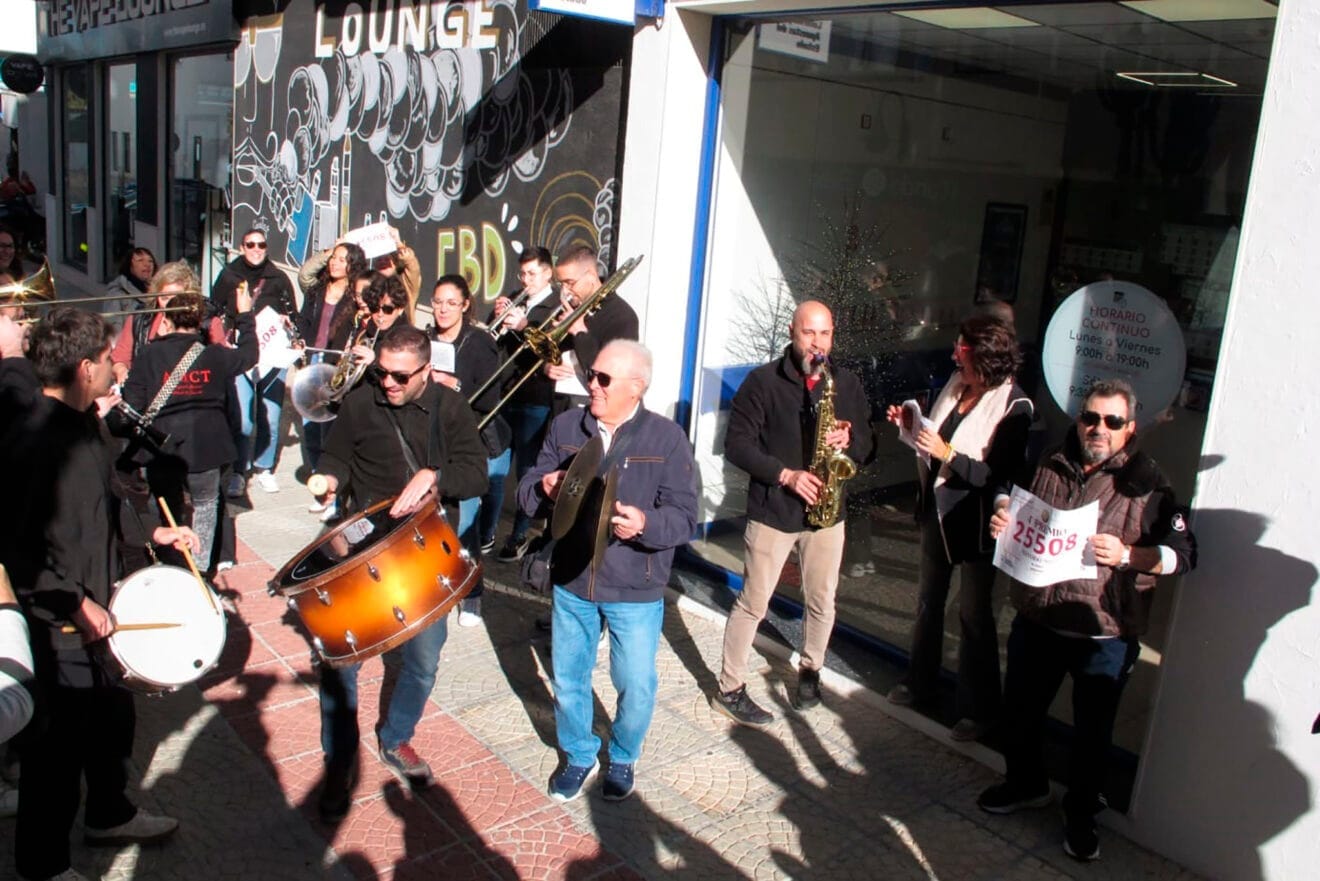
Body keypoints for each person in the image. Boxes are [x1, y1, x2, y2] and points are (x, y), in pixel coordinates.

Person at [0, 309, 199, 881]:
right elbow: (19, 550)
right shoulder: (33, 442)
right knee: (55, 755)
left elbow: (104, 506)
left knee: (113, 722)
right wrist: (74, 603)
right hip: (60, 622)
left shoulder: (86, 422)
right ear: (85, 368)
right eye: (111, 359)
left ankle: (109, 814)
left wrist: (153, 535)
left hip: (99, 607)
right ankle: (43, 864)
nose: (119, 368)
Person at [976, 378, 1196, 862]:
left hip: (1104, 632)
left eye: (1112, 421)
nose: (1099, 428)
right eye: (1090, 418)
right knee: (1020, 715)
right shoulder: (1050, 459)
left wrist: (1130, 555)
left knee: (1091, 736)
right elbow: (1008, 491)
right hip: (1039, 618)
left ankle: (1080, 817)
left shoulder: (1149, 482)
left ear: (1130, 427)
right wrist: (1003, 512)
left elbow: (1183, 556)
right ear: (1079, 419)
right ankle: (1026, 784)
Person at [307, 324, 487, 822]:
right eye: (382, 372)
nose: (388, 383)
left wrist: (436, 475)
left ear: (426, 370)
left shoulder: (449, 409)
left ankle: (397, 737)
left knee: (424, 659)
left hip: (421, 549)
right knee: (341, 661)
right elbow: (337, 453)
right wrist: (327, 479)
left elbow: (477, 474)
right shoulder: (363, 400)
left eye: (400, 376)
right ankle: (339, 760)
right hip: (363, 543)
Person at [516, 340, 698, 803]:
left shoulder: (667, 438)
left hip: (635, 584)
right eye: (590, 375)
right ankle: (579, 755)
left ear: (636, 388)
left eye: (603, 379)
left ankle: (623, 754)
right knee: (570, 677)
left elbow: (684, 517)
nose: (591, 385)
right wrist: (544, 487)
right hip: (573, 577)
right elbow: (524, 492)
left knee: (635, 683)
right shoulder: (565, 425)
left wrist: (645, 524)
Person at [712, 300, 874, 724]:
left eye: (824, 334)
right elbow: (738, 446)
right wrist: (785, 475)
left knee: (822, 600)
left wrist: (849, 439)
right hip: (774, 512)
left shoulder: (847, 383)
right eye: (809, 333)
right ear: (792, 332)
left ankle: (811, 670)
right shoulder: (762, 382)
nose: (817, 344)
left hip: (827, 514)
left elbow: (868, 448)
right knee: (753, 604)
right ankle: (729, 687)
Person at [885, 315, 1033, 742]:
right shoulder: (956, 385)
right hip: (938, 513)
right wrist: (911, 428)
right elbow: (934, 441)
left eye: (962, 352)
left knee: (973, 616)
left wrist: (947, 453)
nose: (954, 356)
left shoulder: (1015, 407)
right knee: (928, 603)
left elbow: (998, 476)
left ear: (986, 358)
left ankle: (979, 710)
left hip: (977, 524)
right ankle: (919, 683)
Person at [122, 284, 257, 572]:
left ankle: (170, 568)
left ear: (167, 321)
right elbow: (249, 355)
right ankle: (200, 571)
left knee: (167, 512)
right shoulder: (215, 354)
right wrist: (245, 314)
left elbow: (131, 404)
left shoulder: (148, 354)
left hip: (161, 448)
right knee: (206, 508)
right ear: (199, 323)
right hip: (207, 448)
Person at [429, 274, 511, 626]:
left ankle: (473, 593)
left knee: (466, 521)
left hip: (467, 443)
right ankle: (440, 584)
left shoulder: (478, 342)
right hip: (432, 440)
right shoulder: (425, 339)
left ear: (465, 305)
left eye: (451, 302)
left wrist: (455, 384)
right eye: (437, 301)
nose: (443, 309)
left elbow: (491, 397)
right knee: (435, 521)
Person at [212, 228, 299, 497]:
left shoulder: (279, 278)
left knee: (271, 418)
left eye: (261, 244)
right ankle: (239, 470)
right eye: (251, 244)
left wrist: (289, 325)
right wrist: (221, 339)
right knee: (243, 420)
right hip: (241, 354)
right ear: (241, 246)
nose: (256, 249)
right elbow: (213, 311)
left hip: (273, 355)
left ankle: (263, 468)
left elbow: (293, 314)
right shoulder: (228, 275)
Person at [492, 246, 562, 563]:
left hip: (535, 399)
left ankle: (519, 534)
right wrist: (496, 319)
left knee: (527, 471)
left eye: (532, 274)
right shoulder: (514, 298)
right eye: (522, 273)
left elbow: (550, 351)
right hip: (505, 394)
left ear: (548, 273)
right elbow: (493, 341)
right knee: (495, 466)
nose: (525, 280)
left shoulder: (556, 306)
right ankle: (486, 532)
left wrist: (522, 329)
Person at [294, 240, 369, 476]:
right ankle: (318, 472)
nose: (335, 263)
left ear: (352, 264)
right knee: (310, 421)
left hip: (334, 363)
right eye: (333, 258)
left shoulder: (355, 297)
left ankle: (330, 475)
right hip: (311, 358)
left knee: (330, 422)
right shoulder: (317, 289)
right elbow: (305, 318)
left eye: (342, 259)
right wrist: (300, 342)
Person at [110, 261, 226, 386]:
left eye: (176, 299)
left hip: (191, 394)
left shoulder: (208, 323)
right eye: (164, 298)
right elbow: (119, 358)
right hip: (146, 394)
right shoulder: (139, 319)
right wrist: (121, 370)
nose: (170, 305)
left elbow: (223, 364)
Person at [105, 248, 157, 314]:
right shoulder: (117, 293)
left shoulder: (158, 290)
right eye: (140, 260)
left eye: (150, 261)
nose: (147, 264)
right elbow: (113, 322)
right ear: (130, 266)